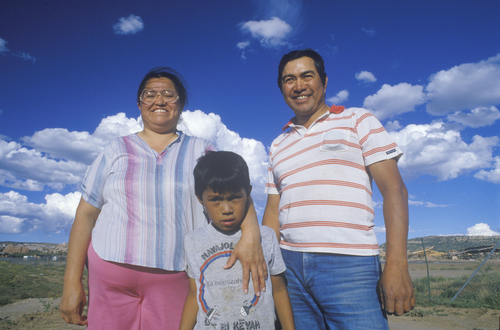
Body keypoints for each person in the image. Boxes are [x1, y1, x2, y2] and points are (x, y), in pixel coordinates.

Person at [59, 67, 267, 330]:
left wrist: (251, 235)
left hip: (176, 276)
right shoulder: (116, 149)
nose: (159, 100)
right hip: (109, 276)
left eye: (169, 94)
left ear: (180, 104)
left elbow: (235, 192)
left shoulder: (200, 149)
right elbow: (86, 215)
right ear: (139, 104)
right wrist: (71, 281)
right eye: (150, 94)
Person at [262, 49, 415, 330]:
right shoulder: (277, 145)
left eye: (307, 76)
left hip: (350, 265)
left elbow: (395, 190)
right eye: (289, 79)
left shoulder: (358, 120)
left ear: (324, 81)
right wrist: (268, 267)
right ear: (281, 87)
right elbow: (273, 210)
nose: (298, 86)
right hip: (289, 268)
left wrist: (397, 265)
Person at [179, 151, 295, 330]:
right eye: (215, 200)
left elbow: (279, 290)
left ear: (248, 192)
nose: (226, 209)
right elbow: (194, 293)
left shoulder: (267, 237)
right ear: (199, 198)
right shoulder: (192, 241)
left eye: (234, 197)